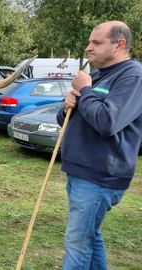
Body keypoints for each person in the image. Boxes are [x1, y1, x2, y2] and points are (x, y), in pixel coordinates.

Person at [56, 21, 142, 269]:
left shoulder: (133, 76)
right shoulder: (95, 76)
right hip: (79, 171)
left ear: (119, 45)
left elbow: (108, 122)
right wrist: (67, 106)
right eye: (89, 42)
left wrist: (85, 91)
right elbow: (67, 121)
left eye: (96, 42)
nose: (88, 48)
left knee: (76, 243)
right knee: (89, 237)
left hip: (100, 176)